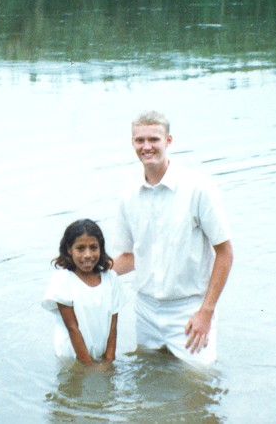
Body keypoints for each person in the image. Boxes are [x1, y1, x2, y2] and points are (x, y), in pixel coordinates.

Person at [112, 110, 233, 366]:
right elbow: (130, 257)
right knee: (149, 380)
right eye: (140, 140)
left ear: (168, 141)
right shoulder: (128, 196)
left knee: (200, 385)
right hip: (145, 309)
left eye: (154, 139)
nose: (147, 147)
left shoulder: (198, 188)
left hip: (189, 310)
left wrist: (206, 312)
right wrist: (85, 276)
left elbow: (225, 252)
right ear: (132, 143)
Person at [42, 219, 123, 367]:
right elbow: (72, 328)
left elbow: (113, 325)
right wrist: (88, 366)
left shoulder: (111, 278)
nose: (88, 255)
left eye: (93, 247)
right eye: (80, 248)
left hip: (101, 354)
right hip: (72, 356)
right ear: (68, 250)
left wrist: (109, 360)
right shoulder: (63, 280)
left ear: (101, 248)